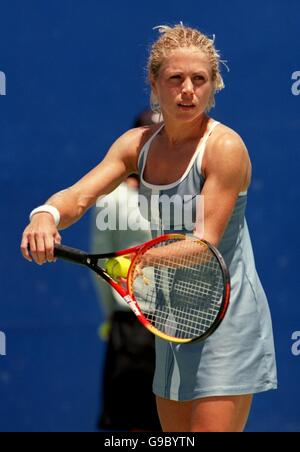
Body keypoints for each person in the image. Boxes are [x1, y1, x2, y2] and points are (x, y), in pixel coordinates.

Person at [21, 23, 277, 432]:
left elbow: (204, 245)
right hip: (170, 322)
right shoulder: (135, 146)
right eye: (175, 79)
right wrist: (45, 216)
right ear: (155, 85)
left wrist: (136, 261)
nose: (188, 90)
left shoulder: (225, 148)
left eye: (200, 79)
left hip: (227, 321)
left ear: (214, 86)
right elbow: (78, 197)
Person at [91, 111, 162, 432]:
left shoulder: (185, 193)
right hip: (130, 329)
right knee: (133, 424)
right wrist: (115, 314)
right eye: (150, 138)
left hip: (177, 326)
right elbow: (100, 266)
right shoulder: (112, 200)